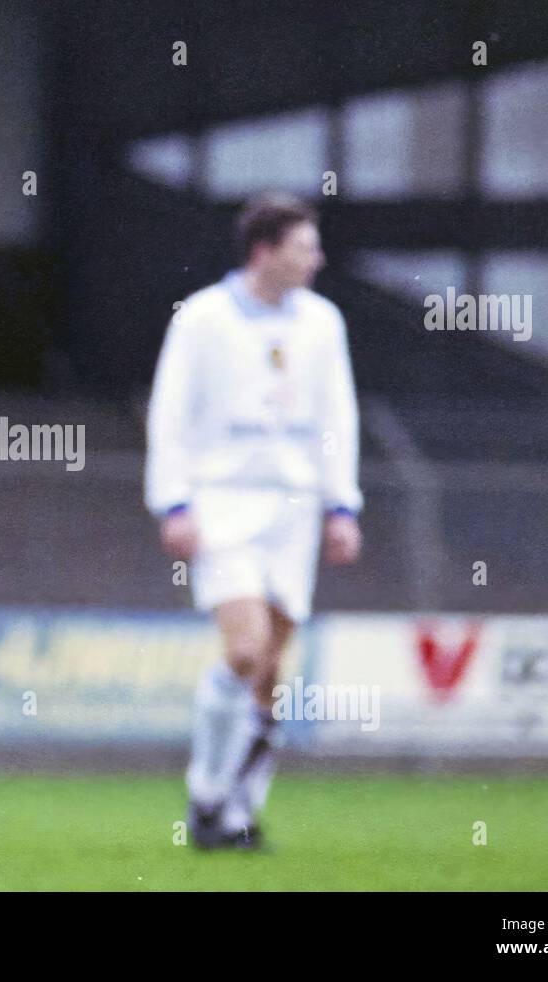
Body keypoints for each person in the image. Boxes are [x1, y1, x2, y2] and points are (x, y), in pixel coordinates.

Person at [145, 192, 363, 850]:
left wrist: (341, 504)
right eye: (304, 246)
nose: (316, 259)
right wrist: (173, 501)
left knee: (271, 672)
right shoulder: (206, 318)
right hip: (224, 503)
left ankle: (237, 813)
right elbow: (170, 410)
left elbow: (337, 418)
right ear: (264, 250)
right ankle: (207, 793)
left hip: (294, 512)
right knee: (242, 652)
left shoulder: (322, 323)